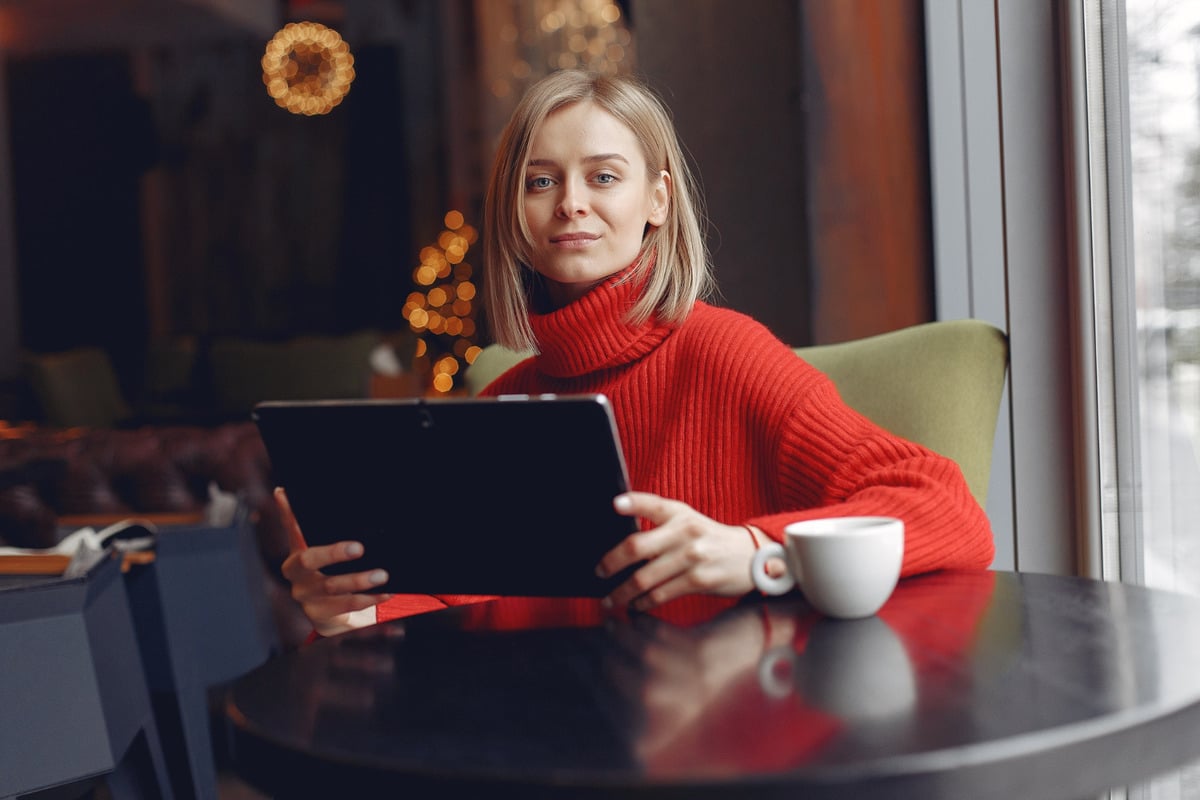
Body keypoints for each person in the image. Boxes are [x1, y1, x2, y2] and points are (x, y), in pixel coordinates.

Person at [280, 69, 995, 637]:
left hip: (718, 747)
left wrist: (754, 551)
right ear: (513, 213)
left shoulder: (726, 352)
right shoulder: (503, 403)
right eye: (541, 180)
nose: (570, 203)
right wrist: (354, 609)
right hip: (536, 744)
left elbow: (949, 510)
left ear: (657, 199)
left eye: (604, 176)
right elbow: (462, 604)